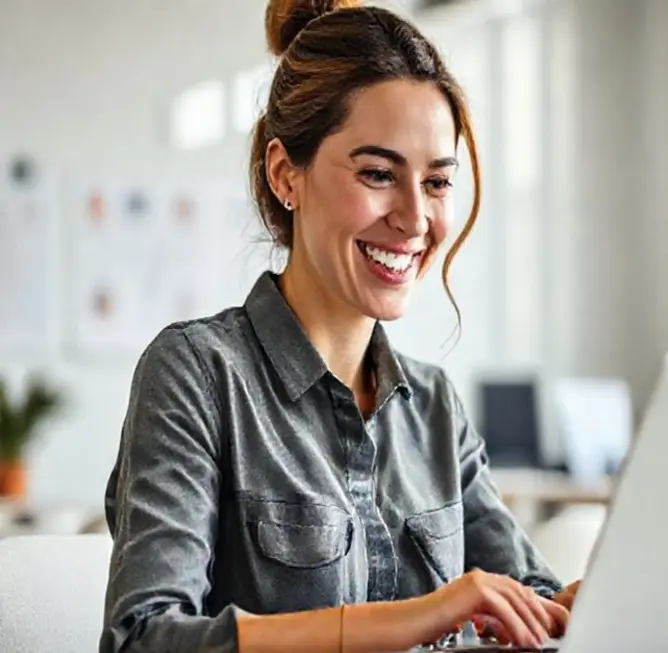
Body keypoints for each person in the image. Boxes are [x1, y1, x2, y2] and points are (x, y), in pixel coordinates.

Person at [99, 1, 582, 652]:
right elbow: (143, 638)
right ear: (284, 174)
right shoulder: (197, 374)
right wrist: (418, 617)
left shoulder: (433, 406)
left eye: (436, 182)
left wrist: (578, 608)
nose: (415, 218)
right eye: (378, 174)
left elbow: (530, 598)